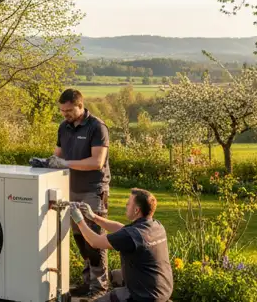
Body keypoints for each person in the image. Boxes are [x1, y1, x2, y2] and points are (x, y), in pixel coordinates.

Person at [47, 88, 111, 298]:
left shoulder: (97, 127)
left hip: (93, 190)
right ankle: (86, 283)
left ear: (80, 106)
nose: (64, 114)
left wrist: (66, 163)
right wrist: (49, 163)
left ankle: (99, 289)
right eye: (62, 111)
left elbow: (97, 162)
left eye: (68, 110)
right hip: (70, 190)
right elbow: (58, 154)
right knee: (80, 239)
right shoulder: (63, 127)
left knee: (94, 240)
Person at [70, 188, 174, 302]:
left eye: (129, 203)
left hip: (144, 296)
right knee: (114, 276)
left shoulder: (130, 236)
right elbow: (122, 228)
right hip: (163, 289)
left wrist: (79, 220)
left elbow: (95, 242)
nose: (126, 205)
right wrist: (94, 217)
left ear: (136, 210)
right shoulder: (155, 226)